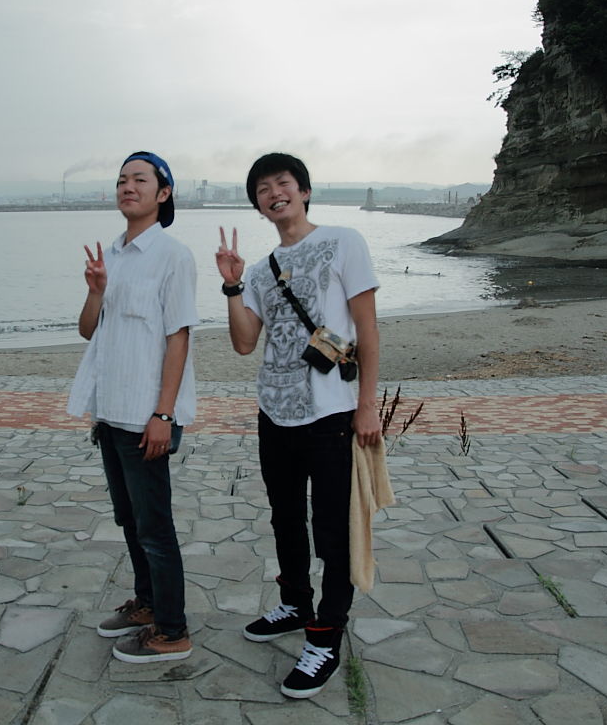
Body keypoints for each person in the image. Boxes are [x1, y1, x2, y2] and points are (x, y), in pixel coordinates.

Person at [215, 152, 381, 698]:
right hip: (275, 414)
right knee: (285, 519)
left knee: (332, 529)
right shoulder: (261, 270)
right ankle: (294, 604)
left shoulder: (344, 241)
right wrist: (233, 287)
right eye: (262, 189)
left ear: (304, 191)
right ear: (258, 205)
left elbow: (367, 328)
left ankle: (325, 636)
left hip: (330, 414)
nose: (274, 193)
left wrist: (367, 404)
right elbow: (245, 343)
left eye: (282, 182)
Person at [66, 150, 198, 663]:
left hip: (147, 415)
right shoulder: (112, 255)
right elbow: (88, 331)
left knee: (155, 528)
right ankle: (147, 604)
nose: (127, 186)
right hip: (111, 410)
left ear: (163, 193)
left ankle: (172, 630)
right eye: (122, 179)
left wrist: (164, 414)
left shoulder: (173, 256)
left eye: (140, 179)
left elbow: (179, 338)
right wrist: (96, 291)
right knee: (130, 520)